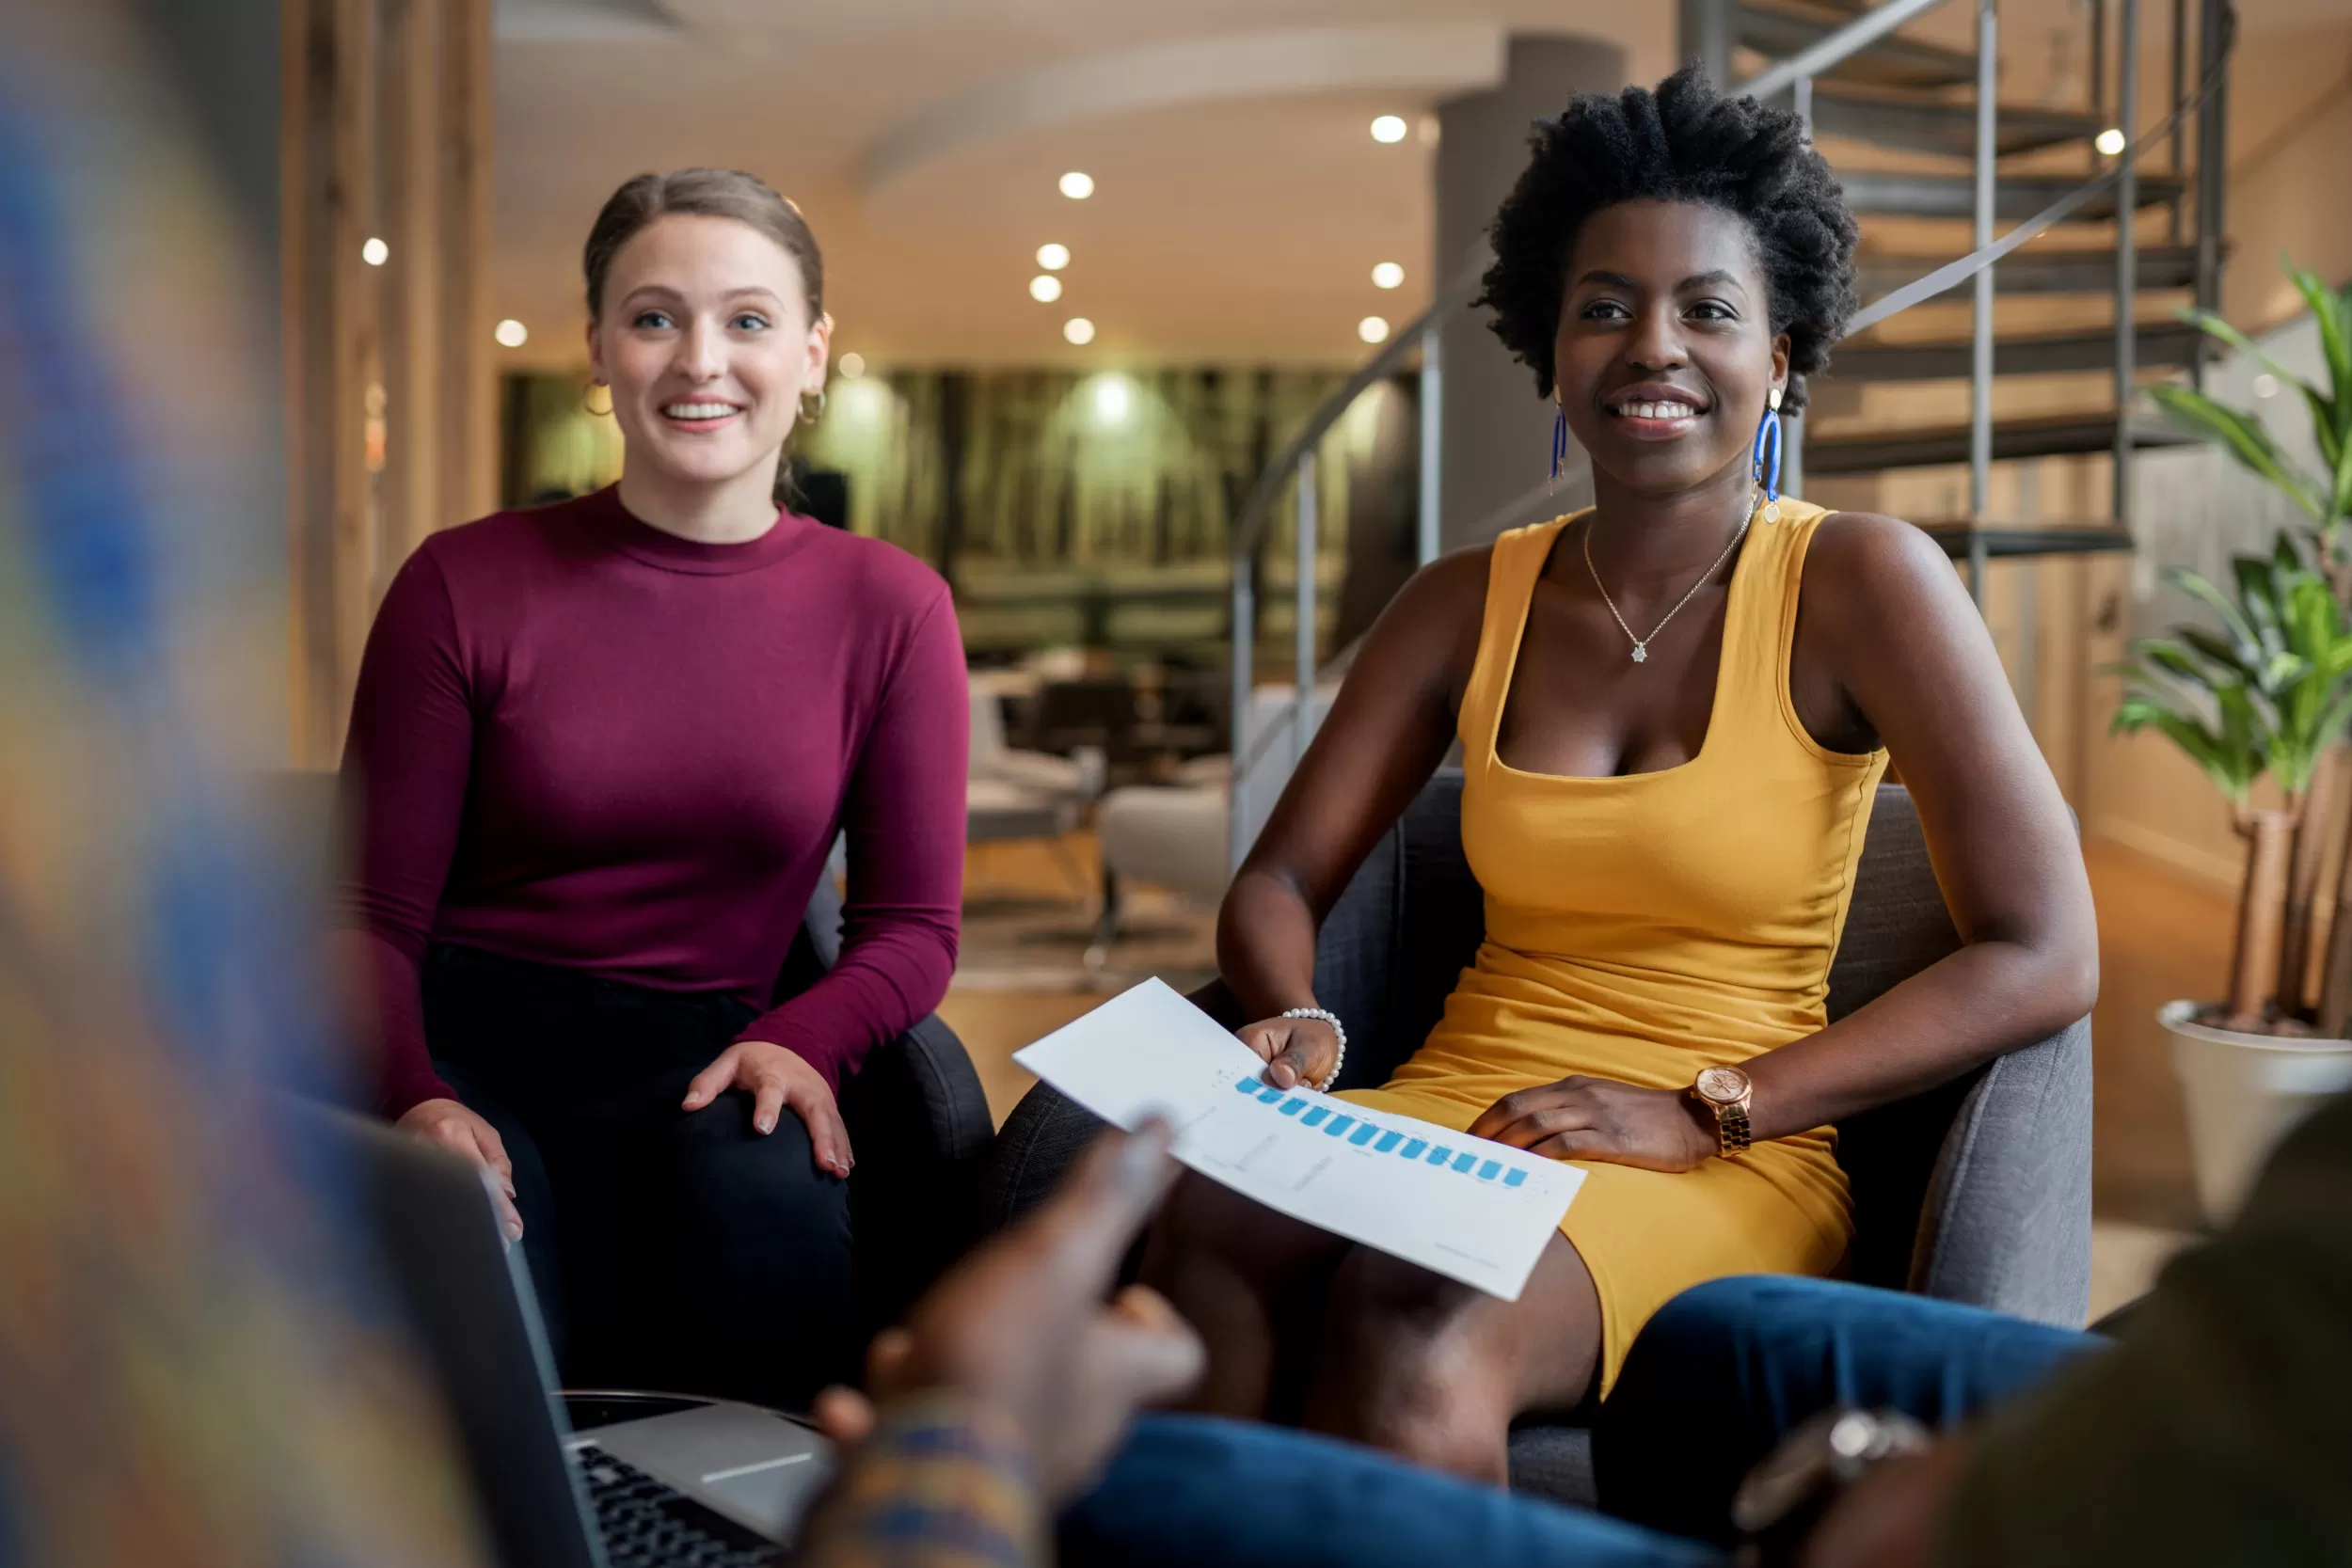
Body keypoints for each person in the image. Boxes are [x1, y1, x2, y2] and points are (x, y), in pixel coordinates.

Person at [1139, 67, 2098, 1479]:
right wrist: (1296, 1020)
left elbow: (2047, 948)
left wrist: (1715, 1103)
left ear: (1778, 360)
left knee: (1416, 1315)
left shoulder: (1865, 582)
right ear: (1550, 350)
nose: (1654, 345)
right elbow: (1283, 872)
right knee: (1205, 1234)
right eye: (1605, 307)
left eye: (1708, 309)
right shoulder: (1462, 599)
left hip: (1717, 1142)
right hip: (1454, 1103)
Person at [340, 167, 968, 1407]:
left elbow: (913, 932)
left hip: (720, 1050)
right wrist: (412, 1091)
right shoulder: (463, 580)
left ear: (812, 355)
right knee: (488, 1297)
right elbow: (366, 919)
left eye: (746, 319)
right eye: (653, 317)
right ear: (600, 352)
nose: (700, 362)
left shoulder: (892, 606)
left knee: (768, 1223)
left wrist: (801, 1036)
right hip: (466, 1047)